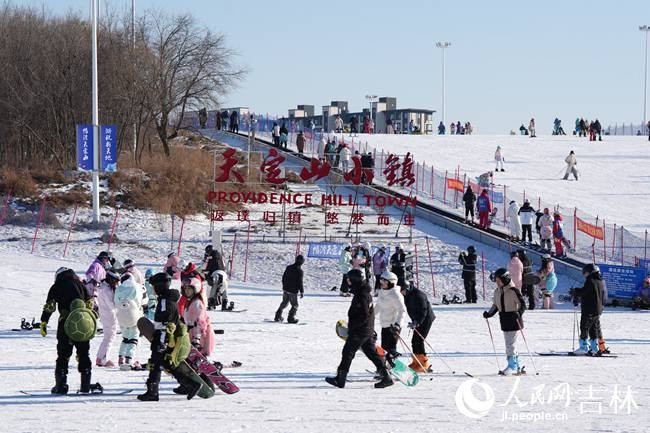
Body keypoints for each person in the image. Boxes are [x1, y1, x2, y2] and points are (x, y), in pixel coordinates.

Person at [137, 272, 201, 401]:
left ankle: (191, 384)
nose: (153, 289)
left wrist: (162, 342)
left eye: (155, 286)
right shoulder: (165, 299)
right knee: (159, 364)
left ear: (160, 286)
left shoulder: (165, 301)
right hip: (163, 337)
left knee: (162, 364)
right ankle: (153, 392)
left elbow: (167, 323)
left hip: (164, 338)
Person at [326, 270, 394, 388]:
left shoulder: (362, 295)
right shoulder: (362, 292)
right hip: (366, 330)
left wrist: (352, 327)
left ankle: (340, 380)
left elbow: (364, 315)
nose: (347, 281)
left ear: (355, 280)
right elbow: (370, 313)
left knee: (348, 352)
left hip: (360, 331)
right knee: (372, 354)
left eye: (349, 279)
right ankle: (387, 377)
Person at [40, 267, 95, 394]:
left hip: (65, 323)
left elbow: (50, 306)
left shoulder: (57, 286)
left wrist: (44, 321)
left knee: (63, 355)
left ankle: (61, 386)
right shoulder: (81, 284)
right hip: (83, 323)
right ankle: (85, 385)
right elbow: (90, 303)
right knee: (84, 354)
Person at [482, 268, 526, 375]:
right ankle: (517, 365)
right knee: (510, 344)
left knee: (510, 345)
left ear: (505, 279)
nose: (497, 283)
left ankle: (512, 366)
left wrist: (518, 313)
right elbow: (496, 305)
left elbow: (522, 305)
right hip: (504, 320)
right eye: (496, 281)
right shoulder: (497, 292)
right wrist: (489, 314)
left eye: (499, 280)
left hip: (514, 320)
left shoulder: (513, 290)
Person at [401, 280, 435, 373]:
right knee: (414, 341)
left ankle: (424, 364)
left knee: (419, 340)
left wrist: (417, 322)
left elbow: (423, 310)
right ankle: (416, 362)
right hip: (417, 320)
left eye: (402, 291)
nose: (401, 293)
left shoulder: (419, 295)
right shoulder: (407, 295)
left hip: (426, 320)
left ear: (407, 288)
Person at [572, 264, 606, 355]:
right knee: (593, 328)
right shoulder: (601, 281)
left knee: (585, 326)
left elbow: (584, 292)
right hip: (597, 309)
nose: (584, 274)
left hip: (589, 308)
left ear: (590, 272)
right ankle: (595, 347)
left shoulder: (590, 280)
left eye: (585, 272)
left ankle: (584, 346)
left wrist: (575, 292)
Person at [114, 273, 146, 369]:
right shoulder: (137, 287)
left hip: (122, 316)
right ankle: (129, 358)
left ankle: (121, 357)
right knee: (133, 338)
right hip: (134, 315)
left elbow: (116, 301)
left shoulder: (119, 288)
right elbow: (142, 301)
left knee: (125, 338)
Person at [376, 271, 406, 361]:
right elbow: (378, 306)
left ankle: (392, 367)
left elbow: (402, 310)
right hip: (385, 324)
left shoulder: (396, 295)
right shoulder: (382, 292)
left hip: (393, 326)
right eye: (381, 281)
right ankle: (384, 367)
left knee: (390, 349)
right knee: (383, 349)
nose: (382, 284)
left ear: (391, 282)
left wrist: (398, 324)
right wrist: (369, 316)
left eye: (384, 281)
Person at [181, 277, 215, 358]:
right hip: (191, 335)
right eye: (186, 289)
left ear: (195, 289)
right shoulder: (189, 302)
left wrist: (197, 339)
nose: (187, 291)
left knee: (197, 356)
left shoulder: (197, 303)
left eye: (189, 289)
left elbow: (200, 322)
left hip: (199, 338)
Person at [95, 269, 120, 367]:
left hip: (105, 315)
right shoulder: (107, 290)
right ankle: (103, 359)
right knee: (110, 337)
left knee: (107, 337)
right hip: (109, 316)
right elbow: (112, 305)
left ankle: (100, 357)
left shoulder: (102, 288)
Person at [274, 255, 304, 323]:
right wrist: (302, 291)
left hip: (286, 289)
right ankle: (291, 318)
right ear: (302, 262)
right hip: (293, 291)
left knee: (284, 302)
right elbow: (300, 282)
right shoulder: (299, 271)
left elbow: (283, 277)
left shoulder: (288, 267)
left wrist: (284, 286)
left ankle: (277, 316)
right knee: (295, 305)